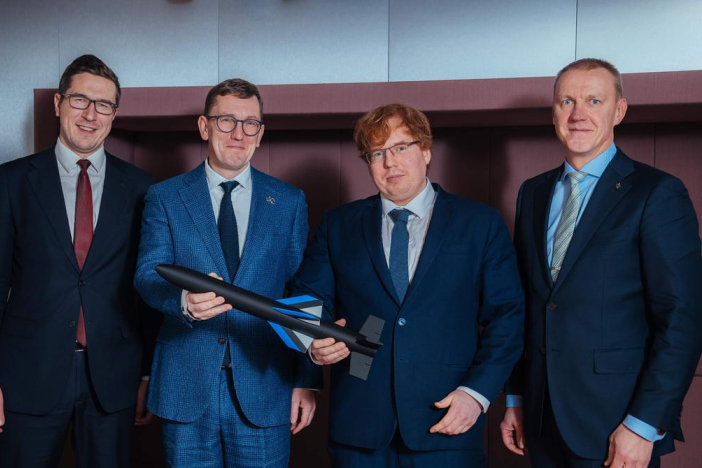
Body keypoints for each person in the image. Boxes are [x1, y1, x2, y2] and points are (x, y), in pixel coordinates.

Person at [289, 103, 525, 467]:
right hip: (359, 428)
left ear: (426, 151)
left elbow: (508, 317)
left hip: (447, 421)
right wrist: (313, 343)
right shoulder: (338, 225)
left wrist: (476, 393)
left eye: (401, 147)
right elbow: (305, 302)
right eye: (377, 153)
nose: (390, 162)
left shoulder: (480, 224)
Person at [500, 58, 702, 468]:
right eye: (567, 102)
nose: (578, 114)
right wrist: (517, 398)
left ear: (619, 111)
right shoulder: (532, 193)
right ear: (554, 112)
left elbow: (683, 318)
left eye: (594, 101)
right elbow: (529, 306)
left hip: (618, 424)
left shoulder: (657, 193)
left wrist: (644, 425)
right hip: (540, 420)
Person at [0, 54, 156, 468]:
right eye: (80, 100)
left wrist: (148, 374)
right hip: (27, 375)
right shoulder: (12, 181)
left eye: (103, 104)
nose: (90, 114)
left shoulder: (142, 188)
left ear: (114, 113)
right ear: (58, 103)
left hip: (115, 377)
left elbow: (149, 287)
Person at [134, 78, 321, 467]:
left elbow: (301, 292)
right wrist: (183, 302)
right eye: (226, 121)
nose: (239, 133)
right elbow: (148, 275)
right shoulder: (165, 197)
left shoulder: (289, 202)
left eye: (250, 123)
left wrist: (306, 379)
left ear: (260, 133)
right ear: (205, 127)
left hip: (266, 384)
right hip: (185, 383)